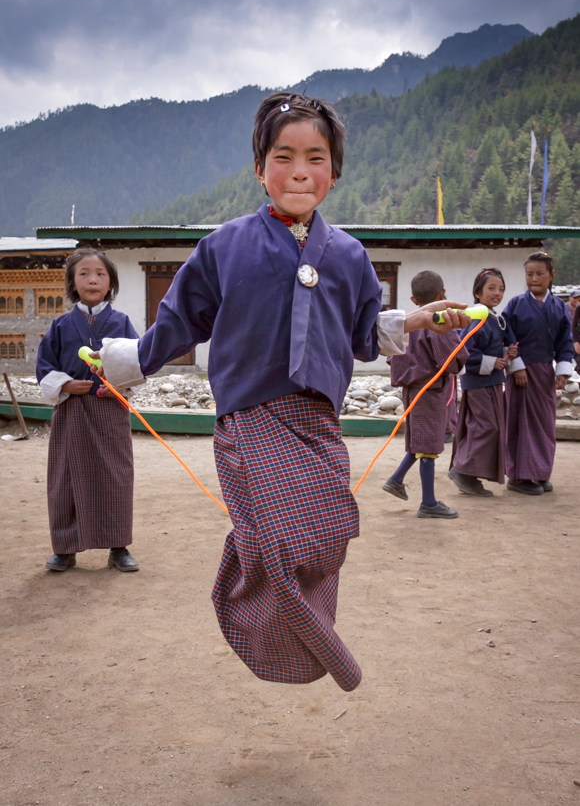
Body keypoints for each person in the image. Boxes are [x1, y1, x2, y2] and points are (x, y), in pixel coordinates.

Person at [93, 92, 470, 692]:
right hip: (249, 415)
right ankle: (267, 614)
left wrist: (418, 320)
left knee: (327, 532)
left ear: (335, 170)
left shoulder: (348, 255)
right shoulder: (224, 245)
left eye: (315, 157)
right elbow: (179, 320)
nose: (299, 170)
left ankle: (253, 568)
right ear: (259, 167)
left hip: (318, 422)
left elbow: (363, 331)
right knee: (277, 535)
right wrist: (124, 362)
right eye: (283, 155)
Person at [36, 248, 140, 572]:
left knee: (115, 477)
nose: (92, 279)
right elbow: (44, 366)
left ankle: (118, 546)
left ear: (111, 282)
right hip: (71, 413)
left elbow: (137, 363)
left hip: (110, 410)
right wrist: (65, 384)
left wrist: (116, 384)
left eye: (100, 274)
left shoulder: (121, 322)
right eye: (83, 273)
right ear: (72, 282)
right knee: (65, 477)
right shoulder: (61, 325)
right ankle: (65, 549)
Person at [383, 271, 469, 519]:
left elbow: (391, 356)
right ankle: (428, 503)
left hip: (411, 389)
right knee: (429, 446)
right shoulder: (437, 323)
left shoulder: (407, 323)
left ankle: (396, 479)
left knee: (422, 438)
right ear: (443, 295)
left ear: (413, 300)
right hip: (430, 390)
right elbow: (452, 361)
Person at [503, 252, 574, 495]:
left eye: (539, 274)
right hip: (521, 374)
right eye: (529, 274)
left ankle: (541, 473)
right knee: (520, 422)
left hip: (544, 373)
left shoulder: (560, 307)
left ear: (551, 275)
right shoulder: (515, 304)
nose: (534, 279)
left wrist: (562, 371)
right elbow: (506, 336)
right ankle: (519, 476)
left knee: (544, 423)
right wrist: (517, 366)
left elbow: (565, 341)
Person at [448, 268, 517, 497]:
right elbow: (464, 350)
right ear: (478, 293)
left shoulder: (496, 318)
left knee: (483, 426)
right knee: (487, 426)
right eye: (491, 288)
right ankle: (462, 470)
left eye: (501, 289)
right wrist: (491, 361)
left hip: (491, 382)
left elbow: (498, 346)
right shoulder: (475, 317)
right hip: (478, 383)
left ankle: (468, 473)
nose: (497, 293)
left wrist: (509, 351)